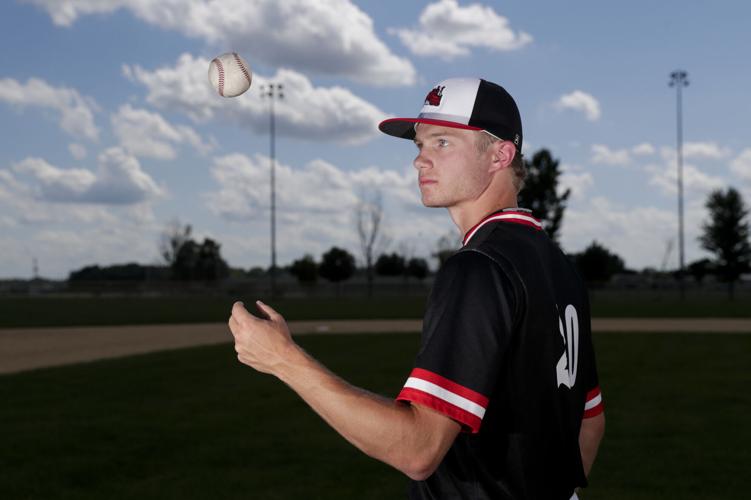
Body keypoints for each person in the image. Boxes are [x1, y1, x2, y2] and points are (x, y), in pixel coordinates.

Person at [228, 77, 605, 499]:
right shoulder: (558, 265)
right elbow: (589, 421)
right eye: (419, 146)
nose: (420, 161)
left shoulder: (479, 267)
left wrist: (284, 360)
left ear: (501, 155)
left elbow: (418, 450)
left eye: (442, 143)